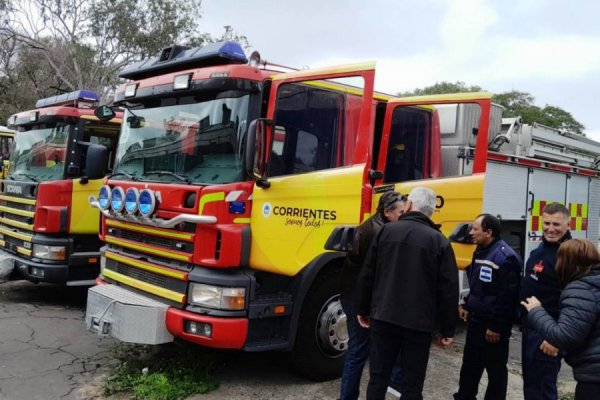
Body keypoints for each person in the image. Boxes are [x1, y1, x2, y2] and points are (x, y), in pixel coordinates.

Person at [357, 186, 459, 400]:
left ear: (410, 205)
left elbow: (369, 272)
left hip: (384, 317)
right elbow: (448, 289)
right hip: (418, 324)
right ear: (431, 211)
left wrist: (363, 308)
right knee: (412, 384)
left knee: (378, 378)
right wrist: (447, 329)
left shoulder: (387, 231)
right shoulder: (440, 241)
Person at [339, 191, 406, 400]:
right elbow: (376, 272)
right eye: (401, 213)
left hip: (354, 295)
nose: (404, 217)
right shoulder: (381, 232)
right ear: (387, 212)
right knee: (358, 351)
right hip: (360, 299)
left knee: (360, 350)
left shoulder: (371, 224)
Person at [454, 214, 523, 400]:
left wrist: (496, 327)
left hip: (493, 329)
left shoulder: (505, 258)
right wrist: (466, 304)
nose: (471, 232)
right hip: (476, 322)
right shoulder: (480, 250)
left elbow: (507, 298)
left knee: (495, 372)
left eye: (475, 229)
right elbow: (479, 286)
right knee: (470, 366)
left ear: (489, 232)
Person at [521, 239, 600, 399]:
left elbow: (564, 337)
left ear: (568, 263)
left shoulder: (579, 289)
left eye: (560, 259)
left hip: (594, 378)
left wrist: (536, 311)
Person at [519, 202, 571, 400]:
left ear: (568, 225)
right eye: (547, 223)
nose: (550, 229)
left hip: (548, 337)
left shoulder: (568, 256)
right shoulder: (541, 249)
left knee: (543, 390)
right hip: (531, 331)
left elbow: (571, 302)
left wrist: (556, 339)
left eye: (556, 224)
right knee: (531, 387)